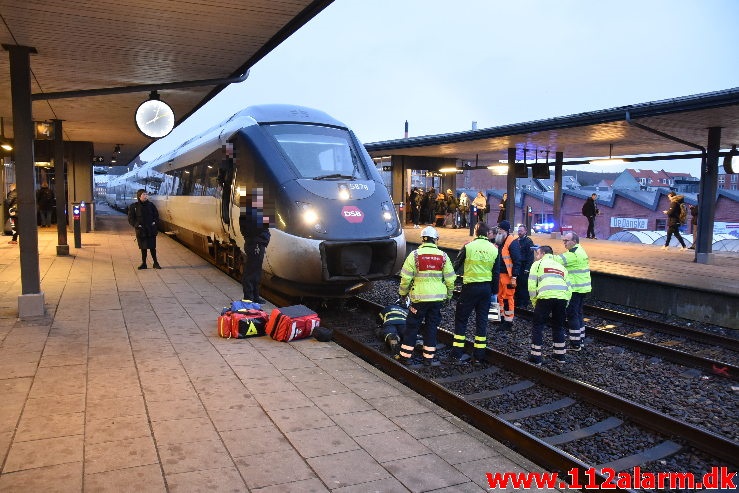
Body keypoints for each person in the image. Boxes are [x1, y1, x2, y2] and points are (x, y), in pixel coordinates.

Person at [397, 226, 456, 366]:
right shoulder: (443, 256)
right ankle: (428, 358)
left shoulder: (415, 255)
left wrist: (403, 294)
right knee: (431, 327)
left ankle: (405, 356)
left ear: (423, 239)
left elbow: (405, 278)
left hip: (419, 299)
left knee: (412, 326)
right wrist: (449, 295)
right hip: (436, 300)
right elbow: (450, 279)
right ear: (435, 239)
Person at [449, 222, 499, 364]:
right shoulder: (494, 249)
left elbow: (455, 267)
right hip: (486, 290)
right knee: (482, 321)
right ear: (487, 233)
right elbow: (496, 274)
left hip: (470, 288)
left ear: (476, 231)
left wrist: (447, 284)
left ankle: (456, 353)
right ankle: (479, 355)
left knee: (461, 319)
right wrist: (493, 292)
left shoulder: (468, 246)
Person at [527, 245, 571, 364]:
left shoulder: (538, 264)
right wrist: (565, 302)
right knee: (558, 326)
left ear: (542, 253)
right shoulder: (561, 267)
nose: (536, 256)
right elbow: (569, 288)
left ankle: (536, 358)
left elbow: (531, 286)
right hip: (562, 298)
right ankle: (560, 355)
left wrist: (535, 302)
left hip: (545, 297)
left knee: (538, 326)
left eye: (537, 254)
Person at [554, 232, 591, 350]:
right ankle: (581, 339)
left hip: (575, 288)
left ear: (574, 242)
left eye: (566, 240)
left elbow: (556, 260)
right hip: (582, 287)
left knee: (572, 314)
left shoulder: (573, 254)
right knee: (578, 313)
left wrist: (544, 253)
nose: (564, 243)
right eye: (563, 240)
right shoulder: (580, 250)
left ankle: (575, 344)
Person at [239, 187, 271, 303]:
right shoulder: (250, 214)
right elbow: (259, 229)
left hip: (257, 243)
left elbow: (267, 225)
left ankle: (255, 296)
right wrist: (263, 237)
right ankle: (248, 297)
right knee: (251, 270)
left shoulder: (254, 213)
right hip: (255, 243)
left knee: (256, 271)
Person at [493, 220, 521, 333]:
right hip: (499, 274)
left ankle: (508, 322)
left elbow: (517, 260)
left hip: (508, 276)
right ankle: (501, 318)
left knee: (508, 297)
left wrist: (514, 276)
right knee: (500, 297)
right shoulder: (500, 241)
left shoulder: (512, 242)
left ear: (505, 230)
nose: (498, 231)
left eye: (500, 230)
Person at [128, 189, 160, 269]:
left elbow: (156, 215)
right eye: (144, 194)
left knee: (152, 247)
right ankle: (144, 263)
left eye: (146, 194)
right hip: (141, 230)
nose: (146, 196)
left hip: (151, 230)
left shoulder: (151, 205)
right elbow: (130, 218)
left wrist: (154, 222)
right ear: (139, 196)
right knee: (143, 248)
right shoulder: (134, 206)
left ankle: (155, 263)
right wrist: (137, 225)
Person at [512, 224, 535, 309]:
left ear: (525, 231)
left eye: (521, 231)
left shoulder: (528, 242)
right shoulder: (516, 241)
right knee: (517, 285)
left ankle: (523, 303)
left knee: (523, 285)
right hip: (517, 265)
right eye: (519, 230)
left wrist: (527, 268)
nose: (519, 232)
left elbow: (530, 256)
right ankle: (517, 302)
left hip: (524, 266)